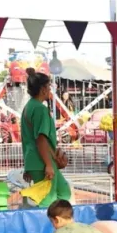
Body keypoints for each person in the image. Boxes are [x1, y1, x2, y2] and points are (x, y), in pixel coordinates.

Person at [20, 69, 71, 207]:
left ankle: (59, 217)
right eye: (49, 87)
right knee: (48, 200)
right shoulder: (40, 109)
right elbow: (40, 139)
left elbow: (27, 139)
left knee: (63, 192)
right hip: (42, 161)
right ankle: (47, 219)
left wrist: (29, 165)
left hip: (36, 160)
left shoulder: (28, 107)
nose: (50, 90)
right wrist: (48, 164)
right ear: (43, 89)